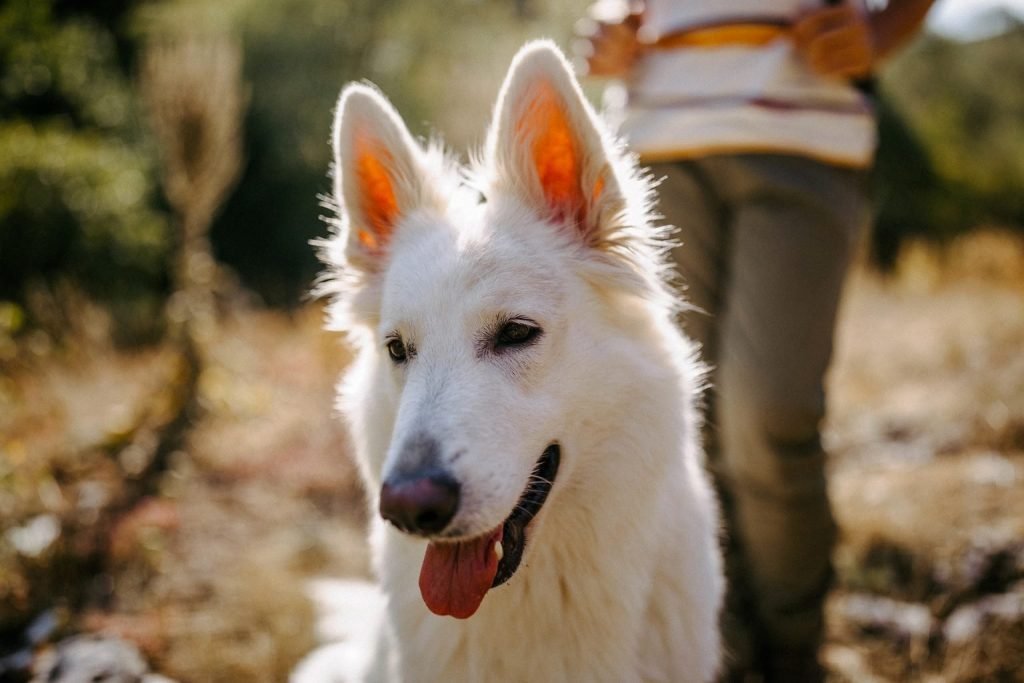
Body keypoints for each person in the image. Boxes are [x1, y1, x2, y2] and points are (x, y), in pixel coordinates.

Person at [577, 1, 934, 680]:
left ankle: (793, 649)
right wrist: (606, 25)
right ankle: (721, 646)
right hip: (654, 144)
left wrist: (886, 30)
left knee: (768, 416)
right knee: (683, 418)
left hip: (803, 133)